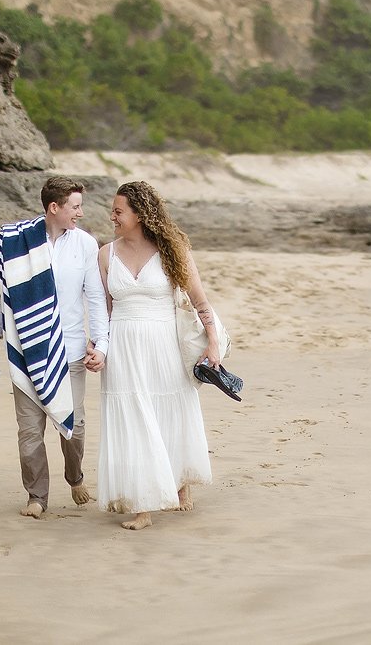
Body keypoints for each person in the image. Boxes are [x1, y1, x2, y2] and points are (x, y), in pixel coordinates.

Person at [0, 176, 108, 519]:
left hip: (72, 350)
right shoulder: (17, 242)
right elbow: (4, 303)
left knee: (74, 427)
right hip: (27, 349)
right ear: (54, 208)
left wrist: (102, 344)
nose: (80, 212)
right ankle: (37, 496)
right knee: (30, 431)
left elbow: (95, 298)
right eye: (75, 206)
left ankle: (75, 476)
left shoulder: (85, 245)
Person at [97, 180, 216, 530]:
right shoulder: (106, 254)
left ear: (139, 214)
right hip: (122, 346)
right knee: (133, 418)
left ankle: (180, 484)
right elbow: (103, 310)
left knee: (171, 409)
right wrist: (98, 347)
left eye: (119, 211)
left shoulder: (172, 249)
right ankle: (143, 505)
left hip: (163, 343)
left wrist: (212, 343)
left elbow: (200, 302)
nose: (113, 217)